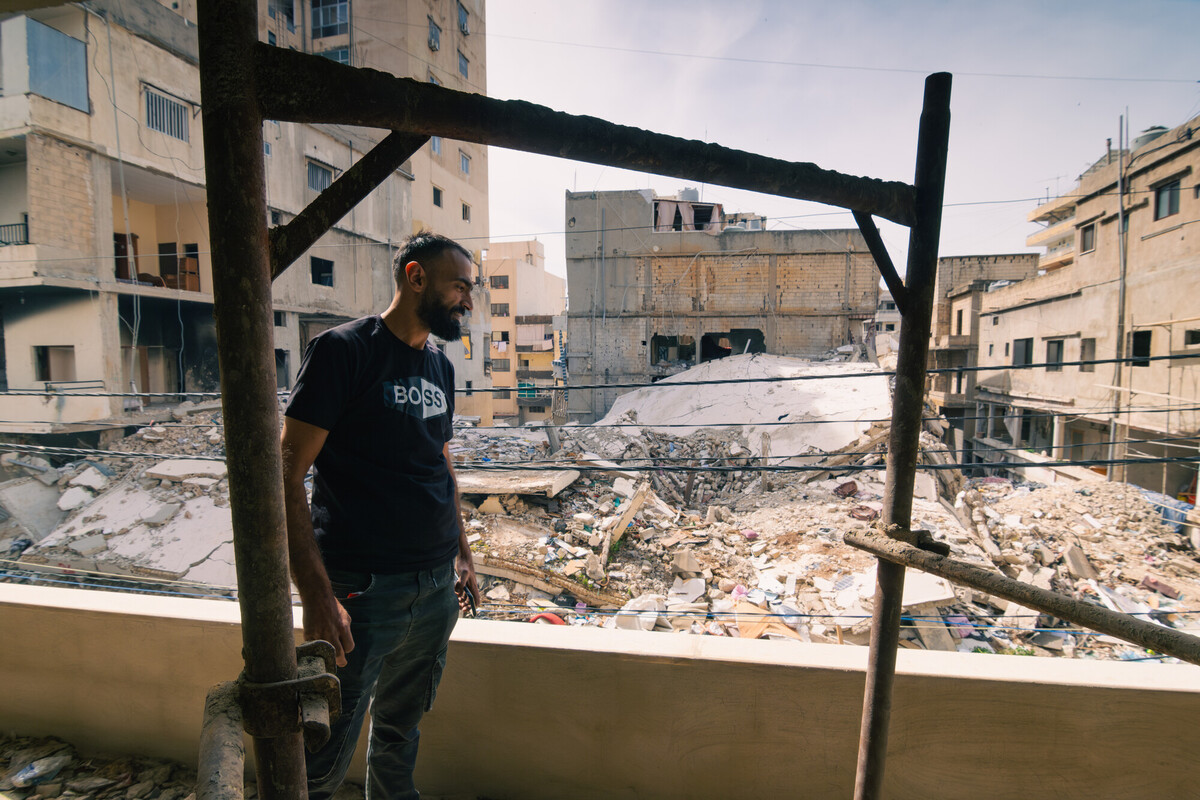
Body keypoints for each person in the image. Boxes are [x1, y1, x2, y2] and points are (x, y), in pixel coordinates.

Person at [281, 231, 481, 800]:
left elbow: (440, 463)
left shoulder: (439, 367)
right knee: (320, 751)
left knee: (400, 731)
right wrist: (316, 594)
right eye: (459, 287)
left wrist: (462, 554)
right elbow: (287, 472)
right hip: (361, 594)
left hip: (436, 587)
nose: (468, 301)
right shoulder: (345, 351)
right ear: (415, 277)